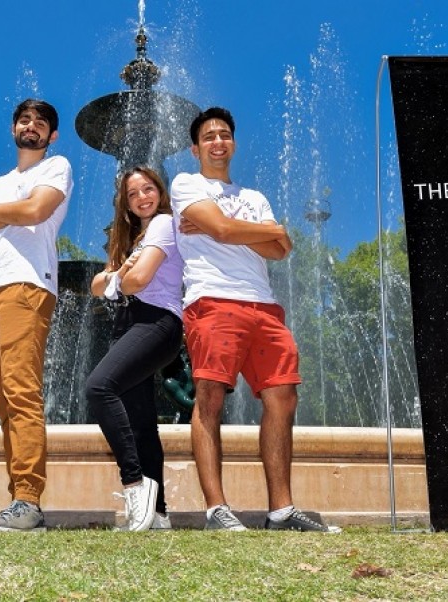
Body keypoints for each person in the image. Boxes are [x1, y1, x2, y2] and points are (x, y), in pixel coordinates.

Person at [170, 106, 340, 533]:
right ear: (195, 148)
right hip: (212, 299)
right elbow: (233, 233)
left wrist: (235, 226)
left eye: (225, 134)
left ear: (234, 143)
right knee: (209, 399)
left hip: (263, 305)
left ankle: (281, 510)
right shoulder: (186, 183)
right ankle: (217, 510)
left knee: (283, 398)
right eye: (209, 136)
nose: (218, 142)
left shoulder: (255, 196)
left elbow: (282, 249)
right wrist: (255, 230)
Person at [0, 99, 72, 532]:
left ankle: (28, 499)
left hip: (28, 287)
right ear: (13, 128)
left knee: (22, 392)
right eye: (24, 120)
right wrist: (0, 212)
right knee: (4, 402)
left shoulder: (55, 167)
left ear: (51, 135)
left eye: (40, 123)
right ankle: (18, 502)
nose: (32, 127)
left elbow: (36, 211)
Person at [84, 166, 184, 532]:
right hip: (129, 324)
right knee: (142, 422)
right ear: (125, 204)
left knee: (98, 387)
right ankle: (158, 513)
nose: (142, 197)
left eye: (148, 189)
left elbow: (139, 279)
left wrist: (118, 278)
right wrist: (118, 276)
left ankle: (135, 484)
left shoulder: (162, 224)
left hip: (156, 322)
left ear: (160, 191)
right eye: (133, 194)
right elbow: (96, 285)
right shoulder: (129, 239)